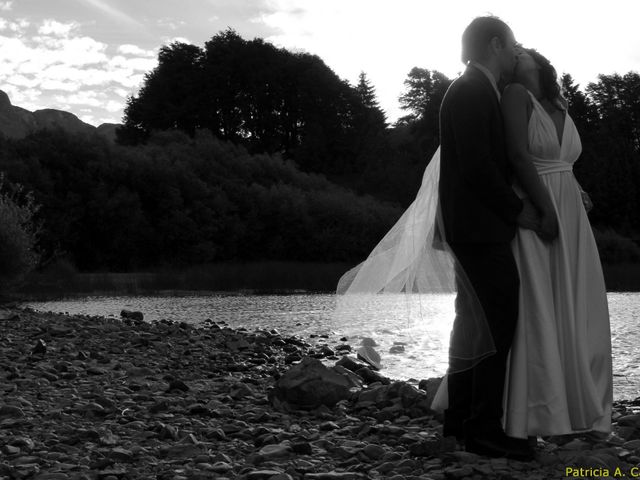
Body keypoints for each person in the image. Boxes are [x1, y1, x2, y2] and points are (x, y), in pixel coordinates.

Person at [436, 16, 539, 459]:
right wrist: (520, 211)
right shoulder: (473, 91)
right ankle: (483, 429)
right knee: (497, 322)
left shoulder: (471, 89)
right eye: (512, 45)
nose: (516, 52)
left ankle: (458, 420)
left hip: (470, 226)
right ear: (495, 44)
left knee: (472, 324)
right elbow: (478, 166)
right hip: (479, 229)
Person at [500, 48, 613, 439]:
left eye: (521, 50)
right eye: (510, 51)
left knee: (577, 303)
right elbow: (517, 154)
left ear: (539, 60)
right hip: (538, 204)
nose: (516, 54)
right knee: (540, 303)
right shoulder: (514, 93)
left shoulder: (559, 101)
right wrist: (546, 208)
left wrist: (576, 189)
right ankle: (536, 412)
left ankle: (578, 404)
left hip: (571, 212)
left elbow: (562, 160)